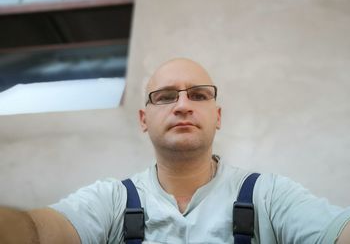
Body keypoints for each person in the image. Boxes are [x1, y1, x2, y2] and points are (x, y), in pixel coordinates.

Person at [0, 58, 349, 244]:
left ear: (218, 116)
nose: (182, 105)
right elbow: (40, 232)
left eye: (198, 95)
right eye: (166, 96)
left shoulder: (270, 196)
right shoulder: (110, 200)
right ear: (143, 119)